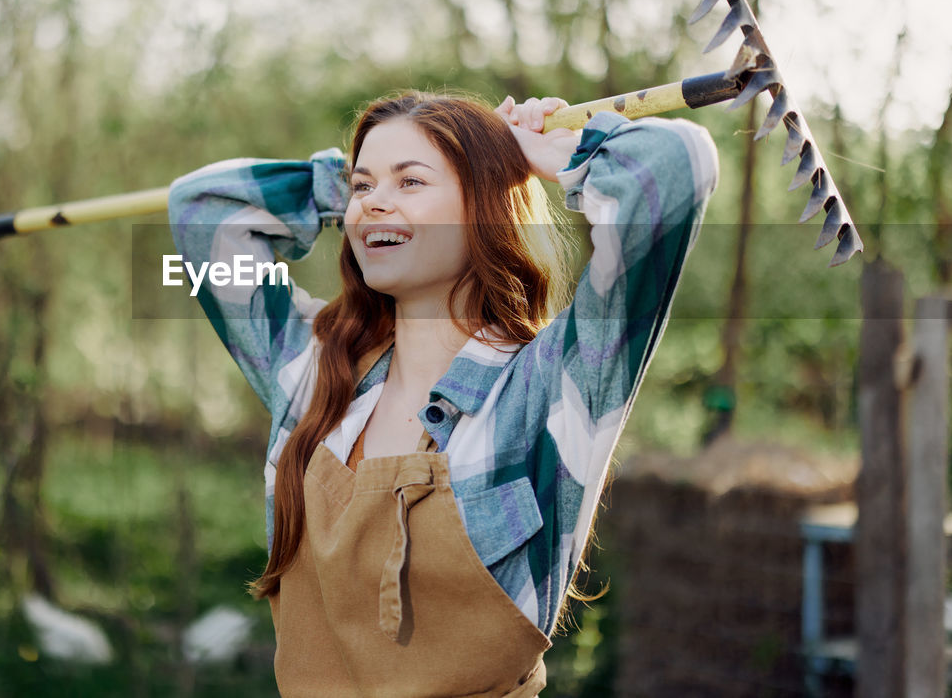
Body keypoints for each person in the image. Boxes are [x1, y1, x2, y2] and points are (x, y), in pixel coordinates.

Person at [167, 90, 718, 697]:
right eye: (364, 186)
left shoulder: (549, 388)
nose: (375, 203)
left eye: (411, 182)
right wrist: (334, 191)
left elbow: (674, 166)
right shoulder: (316, 375)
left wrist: (556, 155)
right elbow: (201, 213)